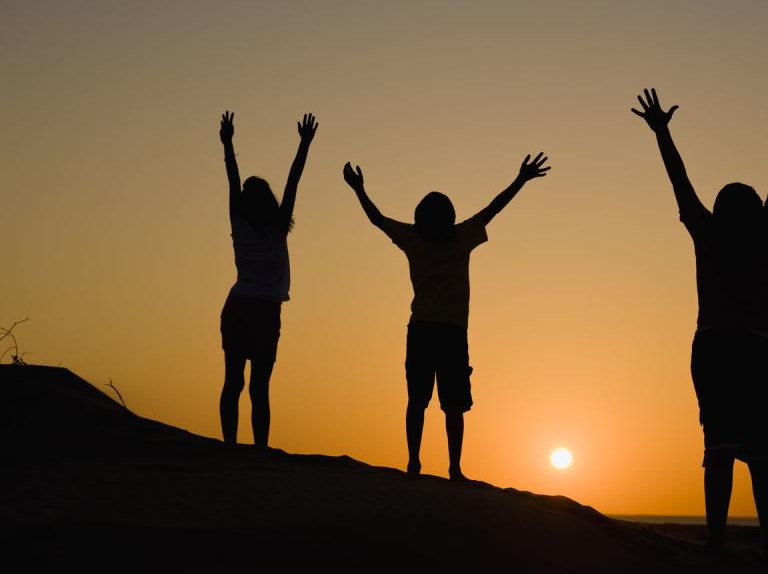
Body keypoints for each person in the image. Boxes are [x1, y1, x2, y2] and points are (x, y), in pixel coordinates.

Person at [632, 88, 768, 564]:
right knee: (758, 455)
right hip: (745, 349)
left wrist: (663, 133)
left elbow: (682, 183)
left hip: (720, 348)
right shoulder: (760, 230)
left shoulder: (714, 230)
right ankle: (765, 546)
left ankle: (723, 541)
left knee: (725, 448)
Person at [343, 154, 551, 481]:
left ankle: (417, 464)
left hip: (426, 330)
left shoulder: (415, 238)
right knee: (450, 405)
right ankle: (450, 468)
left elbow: (376, 218)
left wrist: (358, 189)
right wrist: (520, 180)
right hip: (450, 333)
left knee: (421, 401)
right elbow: (493, 209)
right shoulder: (460, 237)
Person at [217, 110, 318, 448]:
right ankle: (258, 449)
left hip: (239, 306)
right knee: (259, 386)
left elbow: (233, 179)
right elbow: (293, 180)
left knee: (234, 382)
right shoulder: (275, 227)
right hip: (263, 310)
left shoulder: (240, 224)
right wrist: (304, 145)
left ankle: (230, 446)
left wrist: (229, 144)